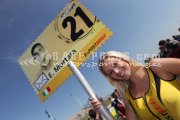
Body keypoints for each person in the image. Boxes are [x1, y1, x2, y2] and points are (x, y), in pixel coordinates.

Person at [90, 51, 180, 120]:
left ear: (123, 59)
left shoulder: (155, 66)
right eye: (111, 72)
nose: (116, 71)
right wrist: (102, 111)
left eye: (115, 64)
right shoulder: (128, 97)